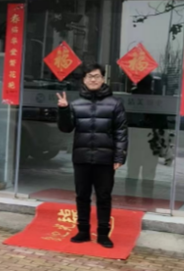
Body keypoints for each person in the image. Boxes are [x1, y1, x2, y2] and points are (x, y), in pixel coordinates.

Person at [56, 63, 128, 249]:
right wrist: (63, 110)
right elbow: (66, 128)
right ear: (84, 80)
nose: (93, 80)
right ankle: (83, 231)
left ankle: (103, 234)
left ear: (103, 79)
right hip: (82, 158)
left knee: (104, 196)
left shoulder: (115, 103)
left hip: (105, 159)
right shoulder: (76, 104)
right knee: (82, 196)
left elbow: (121, 132)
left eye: (97, 76)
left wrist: (119, 157)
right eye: (90, 76)